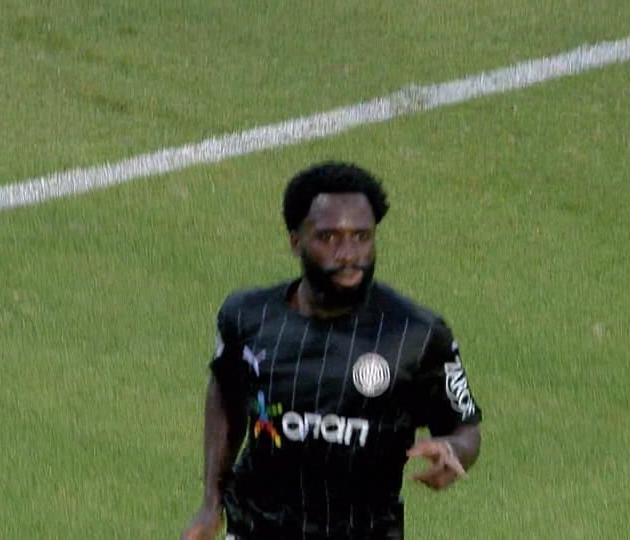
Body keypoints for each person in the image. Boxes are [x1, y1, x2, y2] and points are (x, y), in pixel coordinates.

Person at [182, 162, 482, 540]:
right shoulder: (246, 316)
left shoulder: (415, 335)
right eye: (328, 238)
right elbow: (226, 393)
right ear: (296, 242)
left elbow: (465, 427)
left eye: (362, 237)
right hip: (257, 527)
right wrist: (212, 502)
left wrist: (454, 450)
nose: (348, 254)